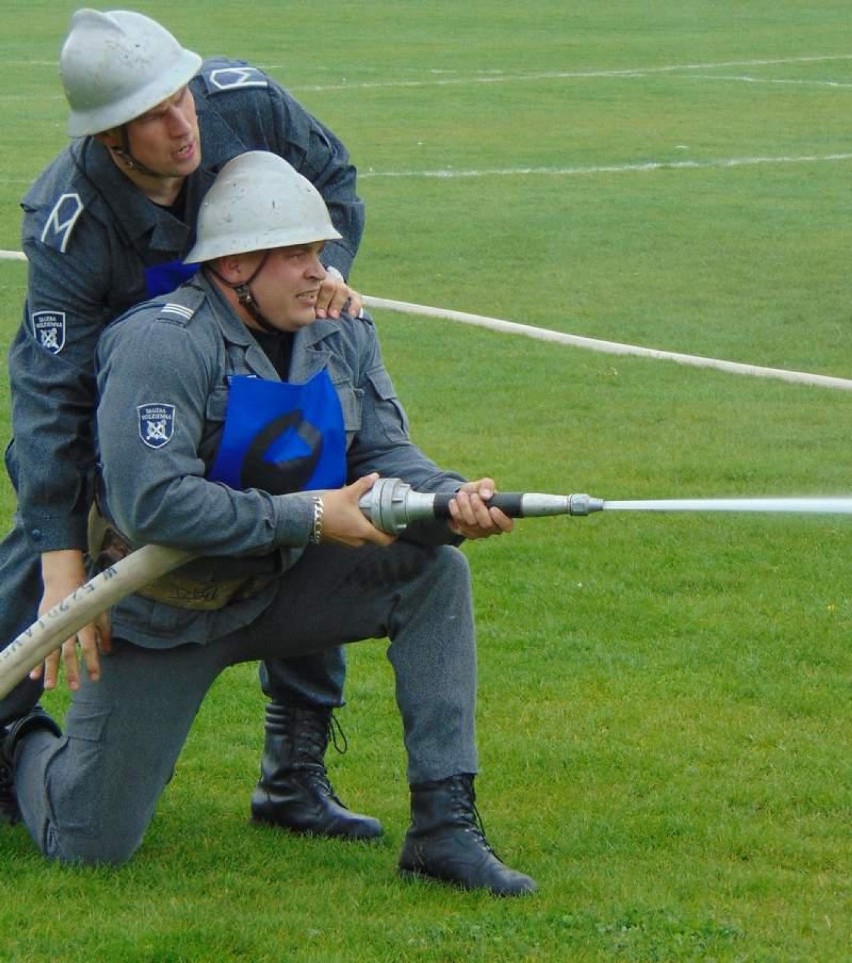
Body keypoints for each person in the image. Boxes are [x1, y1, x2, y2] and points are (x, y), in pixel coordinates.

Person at [1, 152, 537, 896]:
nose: (320, 271)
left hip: (278, 592)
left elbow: (383, 448)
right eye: (296, 255)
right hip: (165, 614)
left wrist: (447, 499)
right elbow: (150, 504)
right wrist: (315, 514)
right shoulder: (162, 342)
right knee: (90, 841)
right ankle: (14, 745)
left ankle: (442, 827)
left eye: (319, 251)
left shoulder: (342, 327)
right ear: (233, 266)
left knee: (434, 570)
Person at [0, 8, 378, 838]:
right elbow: (51, 395)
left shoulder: (246, 103)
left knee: (306, 491)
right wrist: (67, 568)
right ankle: (7, 733)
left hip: (257, 359)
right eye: (155, 117)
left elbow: (335, 179)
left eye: (183, 99)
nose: (184, 126)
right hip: (137, 389)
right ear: (109, 140)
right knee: (50, 554)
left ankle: (295, 774)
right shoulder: (69, 219)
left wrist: (326, 279)